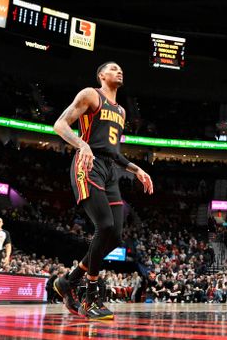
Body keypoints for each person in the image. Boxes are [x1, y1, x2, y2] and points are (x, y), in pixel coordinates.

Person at [52, 61, 154, 320]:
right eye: (113, 69)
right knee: (105, 226)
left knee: (116, 237)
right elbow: (60, 125)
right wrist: (80, 144)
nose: (119, 71)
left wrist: (136, 169)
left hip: (110, 171)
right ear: (101, 75)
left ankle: (68, 282)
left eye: (121, 69)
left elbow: (113, 151)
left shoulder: (120, 111)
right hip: (88, 165)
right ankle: (90, 297)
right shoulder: (90, 94)